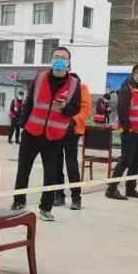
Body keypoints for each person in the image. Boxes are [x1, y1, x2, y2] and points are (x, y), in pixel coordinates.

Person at [11, 47, 82, 222]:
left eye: (63, 57)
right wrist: (23, 123)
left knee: (51, 174)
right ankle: (19, 202)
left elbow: (76, 108)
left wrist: (64, 108)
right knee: (23, 170)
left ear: (68, 63)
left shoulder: (74, 84)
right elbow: (29, 103)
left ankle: (46, 207)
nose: (59, 60)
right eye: (56, 56)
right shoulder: (40, 78)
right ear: (51, 60)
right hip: (32, 132)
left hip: (54, 136)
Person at [105, 64, 138, 200]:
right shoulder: (127, 89)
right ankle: (111, 189)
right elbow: (122, 110)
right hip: (130, 131)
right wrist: (127, 128)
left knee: (137, 161)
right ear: (134, 74)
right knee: (125, 160)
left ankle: (130, 188)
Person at [53, 78, 91, 211]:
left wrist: (73, 120)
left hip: (72, 130)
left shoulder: (82, 87)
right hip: (57, 128)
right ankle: (59, 195)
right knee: (56, 163)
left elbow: (85, 109)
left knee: (71, 164)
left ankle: (76, 198)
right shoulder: (60, 87)